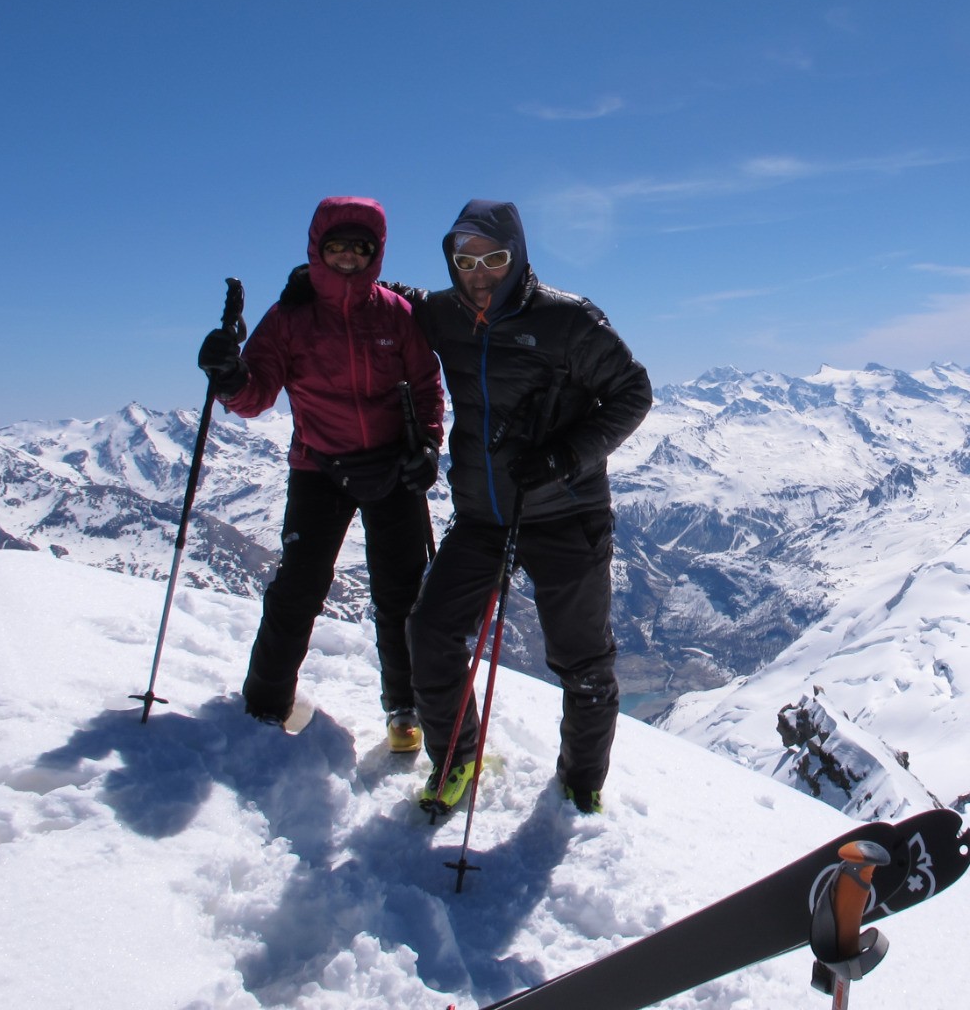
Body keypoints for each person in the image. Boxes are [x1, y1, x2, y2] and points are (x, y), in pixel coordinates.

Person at [406, 198, 651, 815]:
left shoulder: (568, 321)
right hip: (484, 513)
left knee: (583, 662)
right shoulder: (444, 314)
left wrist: (564, 456)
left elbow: (632, 391)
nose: (480, 272)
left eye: (494, 257)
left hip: (566, 512)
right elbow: (395, 302)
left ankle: (580, 784)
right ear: (451, 260)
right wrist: (336, 284)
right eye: (466, 260)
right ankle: (457, 759)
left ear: (516, 258)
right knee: (431, 631)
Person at [197, 196, 444, 753]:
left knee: (400, 594)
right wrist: (230, 375)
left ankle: (405, 707)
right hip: (320, 467)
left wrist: (428, 442)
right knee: (298, 590)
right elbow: (256, 391)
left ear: (376, 252)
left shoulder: (395, 315)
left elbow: (428, 384)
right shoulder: (289, 318)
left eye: (361, 248)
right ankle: (265, 702)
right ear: (318, 250)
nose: (349, 258)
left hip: (392, 465)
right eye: (337, 247)